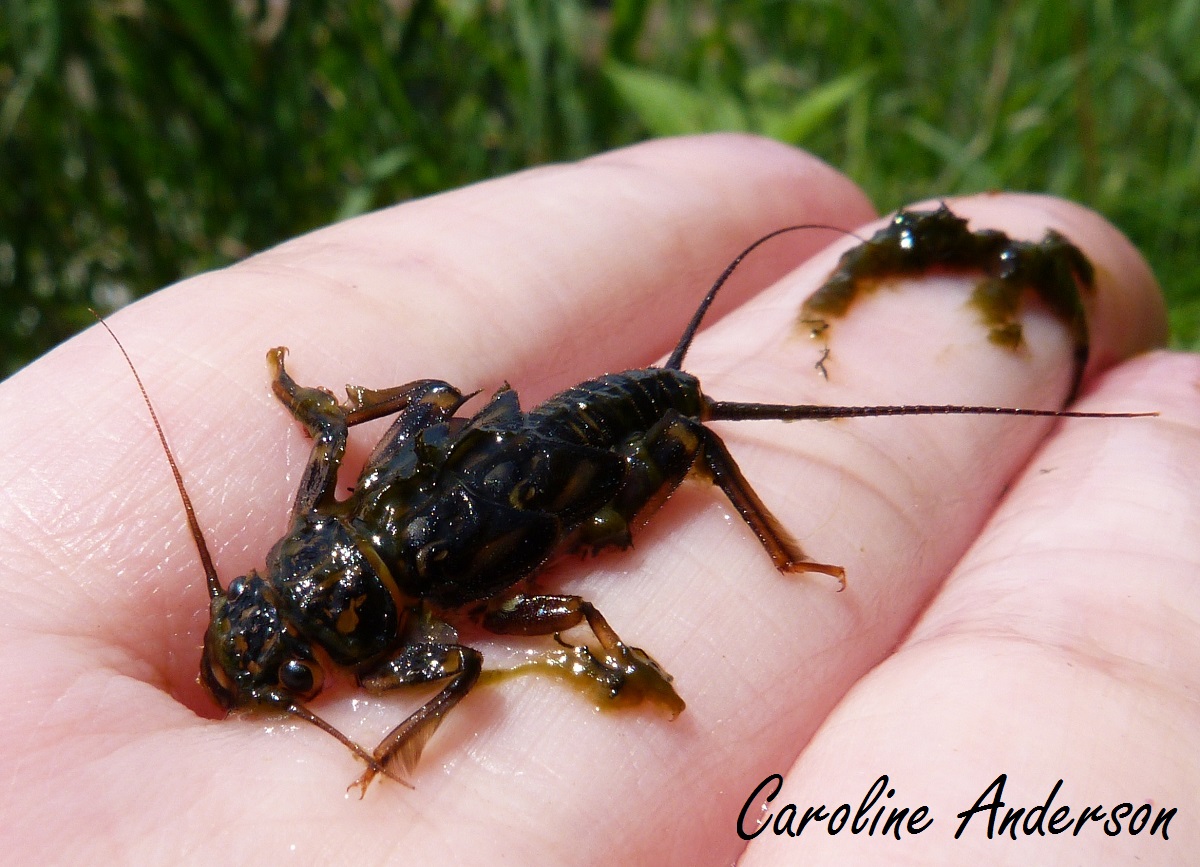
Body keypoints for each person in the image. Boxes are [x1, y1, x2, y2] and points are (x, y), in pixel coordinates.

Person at [0, 134, 1185, 864]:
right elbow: (375, 431)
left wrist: (386, 752)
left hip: (583, 467)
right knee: (466, 404)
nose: (276, 623)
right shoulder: (327, 516)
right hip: (531, 444)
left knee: (690, 439)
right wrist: (324, 408)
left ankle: (784, 551)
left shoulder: (402, 609)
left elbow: (455, 668)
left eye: (264, 615)